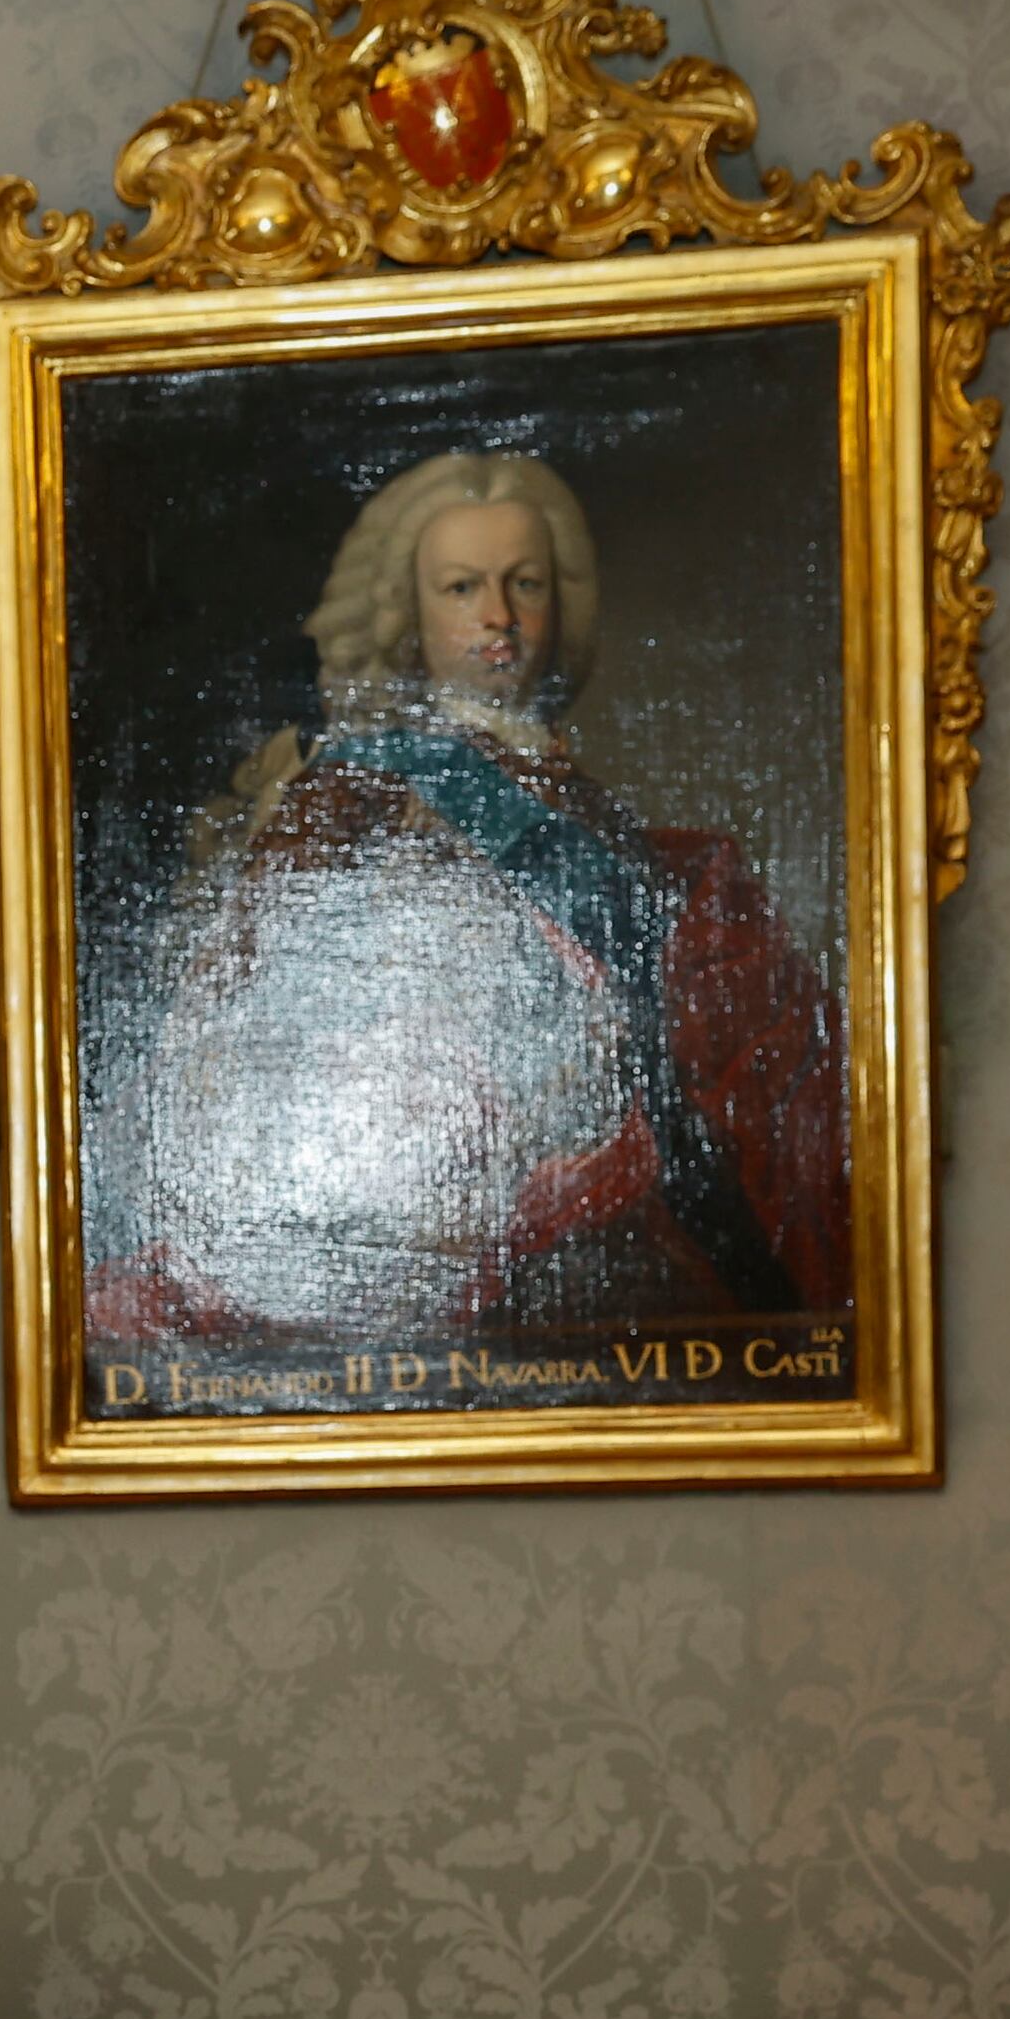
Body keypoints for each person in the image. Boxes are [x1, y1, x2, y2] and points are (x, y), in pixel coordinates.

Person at [93, 450, 849, 1349]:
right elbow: (245, 1017)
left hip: (603, 1188)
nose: (498, 618)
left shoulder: (590, 802)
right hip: (425, 1224)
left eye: (524, 584)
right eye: (461, 588)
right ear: (408, 615)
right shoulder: (352, 793)